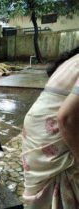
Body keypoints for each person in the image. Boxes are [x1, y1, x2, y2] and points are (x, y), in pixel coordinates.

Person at [21, 46, 79, 208]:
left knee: (43, 192)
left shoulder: (73, 59)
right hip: (52, 130)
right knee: (66, 183)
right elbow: (66, 118)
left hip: (37, 125)